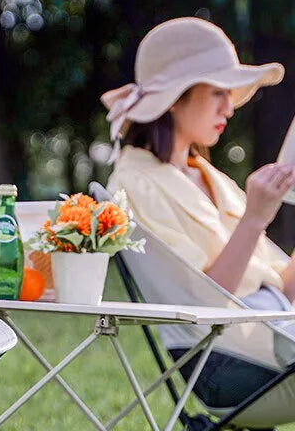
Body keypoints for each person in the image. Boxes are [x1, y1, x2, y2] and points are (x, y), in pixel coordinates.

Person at [104, 17, 295, 315]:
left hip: (276, 334)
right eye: (219, 92)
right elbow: (203, 307)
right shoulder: (133, 185)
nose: (229, 108)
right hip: (228, 351)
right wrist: (255, 218)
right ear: (175, 99)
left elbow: (283, 292)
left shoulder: (216, 180)